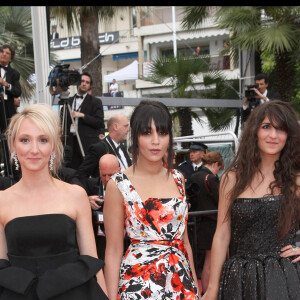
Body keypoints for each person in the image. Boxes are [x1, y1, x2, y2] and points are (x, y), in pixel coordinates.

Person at [0, 103, 108, 299]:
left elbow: (92, 262)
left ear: (54, 146)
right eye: (25, 140)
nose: (34, 149)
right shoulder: (2, 200)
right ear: (13, 145)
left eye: (43, 140)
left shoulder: (76, 195)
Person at [202, 100, 300, 300]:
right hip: (239, 280)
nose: (273, 135)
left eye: (280, 129)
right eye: (266, 127)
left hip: (284, 278)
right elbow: (221, 234)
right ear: (254, 131)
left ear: (288, 135)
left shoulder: (295, 179)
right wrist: (212, 289)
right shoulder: (231, 178)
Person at [104, 100, 200, 299]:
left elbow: (185, 241)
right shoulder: (118, 184)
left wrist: (196, 288)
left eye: (162, 132)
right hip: (139, 285)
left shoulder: (178, 179)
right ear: (135, 136)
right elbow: (113, 251)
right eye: (147, 133)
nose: (156, 141)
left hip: (180, 282)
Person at [188, 151, 224, 295]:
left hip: (197, 222)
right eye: (219, 168)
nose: (218, 172)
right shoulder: (211, 178)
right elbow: (221, 200)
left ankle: (205, 292)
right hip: (212, 223)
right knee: (211, 260)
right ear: (215, 164)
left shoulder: (194, 176)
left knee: (205, 261)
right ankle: (210, 292)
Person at [63, 72, 105, 169]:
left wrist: (82, 115)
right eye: (82, 81)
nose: (84, 84)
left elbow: (99, 123)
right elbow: (63, 120)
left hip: (86, 144)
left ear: (90, 86)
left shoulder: (96, 102)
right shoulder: (68, 101)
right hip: (70, 143)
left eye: (87, 82)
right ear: (78, 82)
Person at [77, 113, 131, 185]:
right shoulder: (98, 148)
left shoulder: (122, 148)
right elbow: (81, 174)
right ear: (115, 126)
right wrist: (92, 193)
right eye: (126, 126)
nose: (128, 129)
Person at [85, 154, 121, 260]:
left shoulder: (129, 186)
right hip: (99, 243)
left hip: (122, 241)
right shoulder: (91, 185)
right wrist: (86, 201)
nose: (107, 179)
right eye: (103, 175)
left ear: (119, 170)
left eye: (111, 175)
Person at [0, 44, 21, 132]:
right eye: (2, 52)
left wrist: (6, 84)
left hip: (7, 109)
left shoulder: (14, 73)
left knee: (8, 137)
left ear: (11, 59)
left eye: (7, 53)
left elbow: (18, 91)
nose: (4, 54)